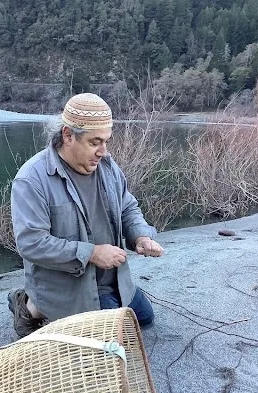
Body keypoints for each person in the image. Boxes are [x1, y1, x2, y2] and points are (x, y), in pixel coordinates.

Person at [9, 93, 164, 336]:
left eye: (106, 141)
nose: (103, 151)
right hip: (75, 286)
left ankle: (46, 305)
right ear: (68, 135)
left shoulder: (108, 167)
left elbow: (128, 207)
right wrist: (91, 253)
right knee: (116, 341)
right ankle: (32, 307)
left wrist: (140, 237)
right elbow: (31, 244)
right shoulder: (31, 179)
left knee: (145, 319)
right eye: (95, 142)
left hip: (115, 279)